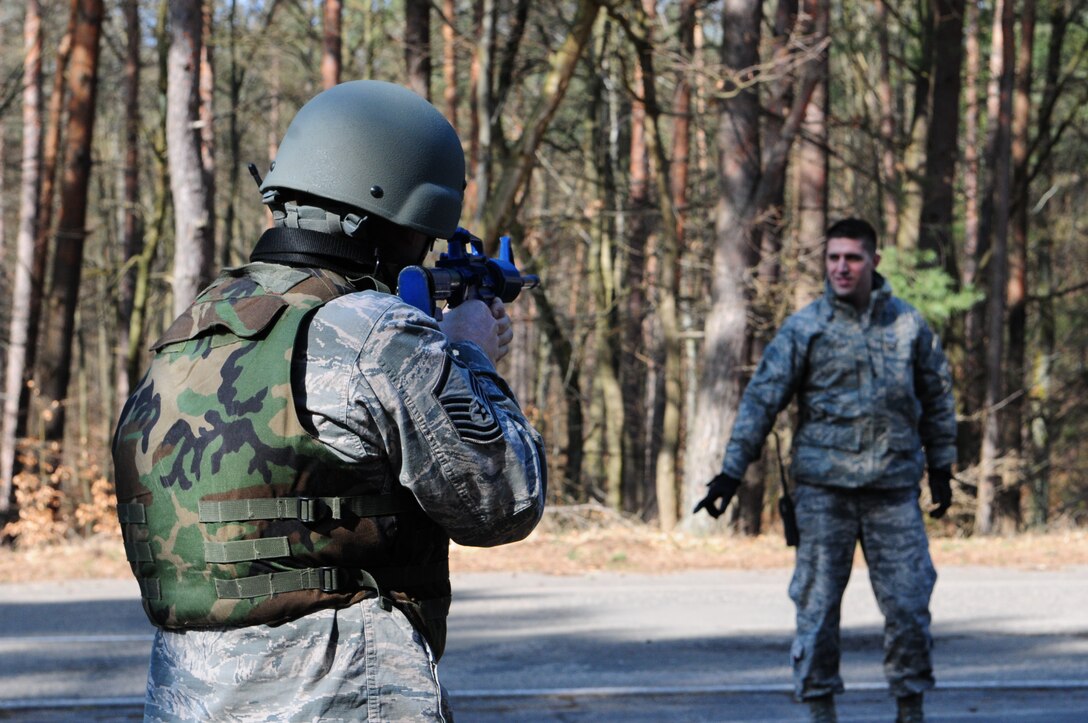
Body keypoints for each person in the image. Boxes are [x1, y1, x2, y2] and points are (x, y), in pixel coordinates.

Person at [112, 80, 547, 721]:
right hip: (342, 692)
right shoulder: (373, 330)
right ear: (396, 217)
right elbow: (502, 503)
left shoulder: (197, 324)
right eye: (422, 235)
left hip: (188, 697)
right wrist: (469, 354)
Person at [694, 218, 956, 723]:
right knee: (816, 614)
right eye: (833, 257)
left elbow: (938, 399)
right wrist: (730, 473)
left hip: (893, 492)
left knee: (908, 610)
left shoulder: (908, 326)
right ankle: (820, 714)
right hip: (823, 495)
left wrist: (942, 466)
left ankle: (910, 710)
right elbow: (762, 400)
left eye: (852, 258)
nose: (841, 267)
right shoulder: (806, 327)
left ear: (873, 262)